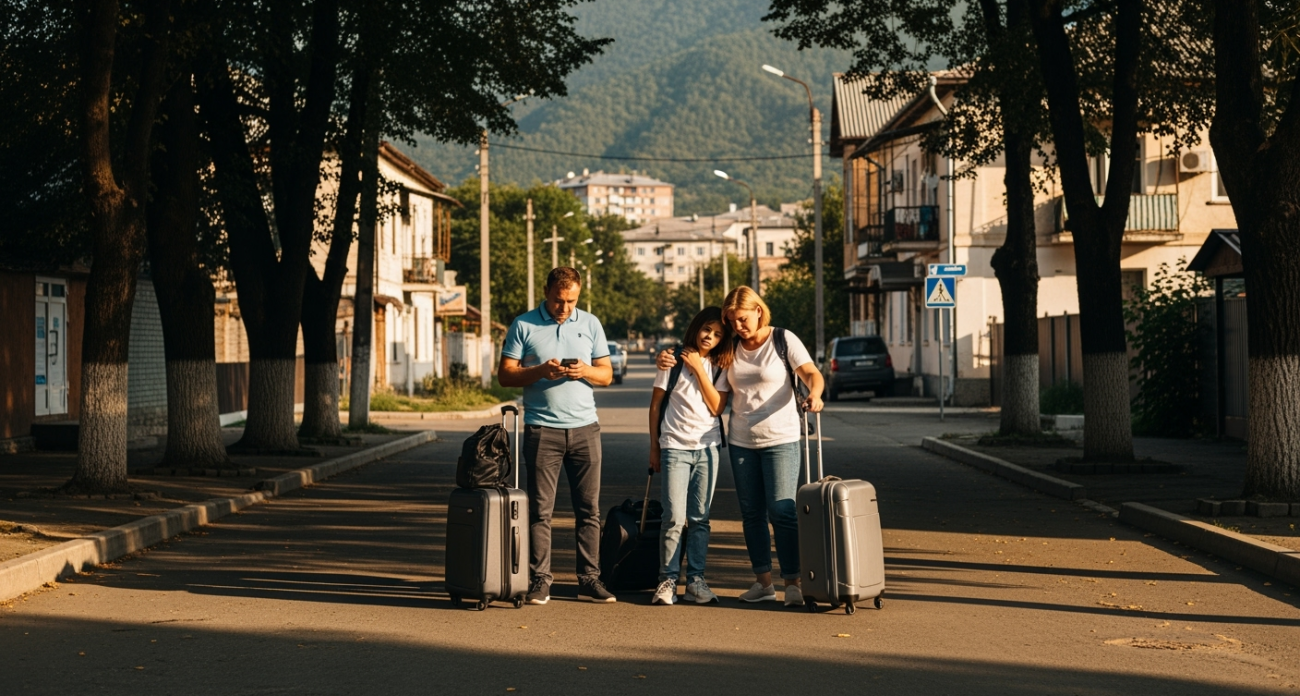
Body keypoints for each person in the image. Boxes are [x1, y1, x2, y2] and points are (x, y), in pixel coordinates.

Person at [657, 286, 824, 608]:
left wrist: (815, 394)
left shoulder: (782, 340)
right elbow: (697, 354)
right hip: (741, 441)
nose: (738, 327)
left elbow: (811, 373)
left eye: (743, 319)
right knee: (751, 514)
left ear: (759, 311)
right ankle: (763, 582)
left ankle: (793, 581)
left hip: (781, 437)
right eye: (732, 321)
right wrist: (666, 355)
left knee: (782, 511)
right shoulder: (730, 346)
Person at [499, 267, 617, 604]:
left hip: (585, 429)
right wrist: (540, 371)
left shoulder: (590, 323)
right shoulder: (524, 324)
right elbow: (505, 376)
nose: (564, 307)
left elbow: (606, 375)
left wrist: (586, 371)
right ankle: (540, 580)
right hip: (542, 429)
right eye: (557, 300)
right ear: (546, 292)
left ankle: (589, 580)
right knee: (540, 511)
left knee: (589, 511)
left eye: (571, 301)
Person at [647, 307, 733, 606]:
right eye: (707, 329)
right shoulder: (670, 360)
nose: (710, 336)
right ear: (696, 327)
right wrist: (654, 447)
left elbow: (716, 407)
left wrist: (698, 368)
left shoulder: (722, 366)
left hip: (708, 448)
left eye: (718, 333)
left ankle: (696, 581)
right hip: (674, 446)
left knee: (700, 518)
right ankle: (667, 580)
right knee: (673, 517)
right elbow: (656, 405)